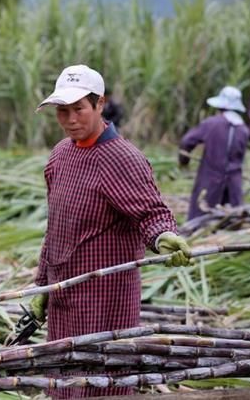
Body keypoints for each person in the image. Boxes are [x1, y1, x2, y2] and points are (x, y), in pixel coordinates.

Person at [30, 65, 192, 399]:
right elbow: (55, 228)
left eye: (79, 109)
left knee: (102, 378)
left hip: (104, 295)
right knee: (63, 375)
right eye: (63, 111)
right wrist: (42, 287)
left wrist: (164, 237)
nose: (70, 119)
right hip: (64, 290)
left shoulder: (122, 158)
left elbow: (150, 213)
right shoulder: (60, 155)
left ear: (100, 105)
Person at [179, 86, 249, 221]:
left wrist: (184, 160)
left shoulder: (211, 123)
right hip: (233, 185)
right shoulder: (243, 130)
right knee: (233, 219)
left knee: (199, 218)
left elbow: (187, 141)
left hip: (210, 181)